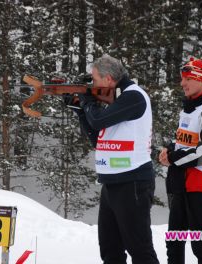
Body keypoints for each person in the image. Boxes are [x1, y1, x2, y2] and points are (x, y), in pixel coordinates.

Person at [64, 54, 160, 264]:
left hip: (132, 182)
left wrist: (88, 102)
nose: (92, 85)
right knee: (110, 251)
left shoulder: (133, 97)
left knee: (140, 250)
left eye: (95, 80)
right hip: (112, 184)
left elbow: (98, 121)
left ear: (108, 79)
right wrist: (81, 111)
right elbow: (99, 141)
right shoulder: (116, 101)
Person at [159, 57, 202, 264]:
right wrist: (168, 150)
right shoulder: (188, 108)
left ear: (201, 80)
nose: (182, 83)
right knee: (174, 242)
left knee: (200, 244)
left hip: (200, 185)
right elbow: (182, 140)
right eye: (182, 79)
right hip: (180, 184)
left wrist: (173, 158)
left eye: (187, 78)